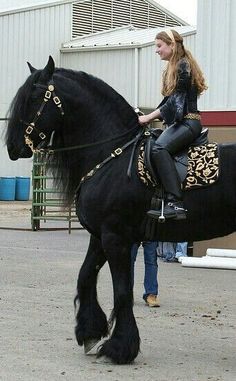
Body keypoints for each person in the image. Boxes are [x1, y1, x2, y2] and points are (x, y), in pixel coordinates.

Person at [139, 29, 207, 220]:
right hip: (181, 123)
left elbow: (174, 102)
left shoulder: (183, 66)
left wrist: (148, 118)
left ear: (172, 45)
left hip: (189, 123)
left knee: (159, 149)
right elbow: (167, 102)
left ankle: (175, 202)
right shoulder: (175, 66)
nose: (157, 50)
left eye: (159, 46)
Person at [131, 241, 160, 307]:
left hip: (150, 232)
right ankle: (127, 293)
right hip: (133, 231)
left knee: (151, 260)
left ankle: (151, 294)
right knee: (129, 260)